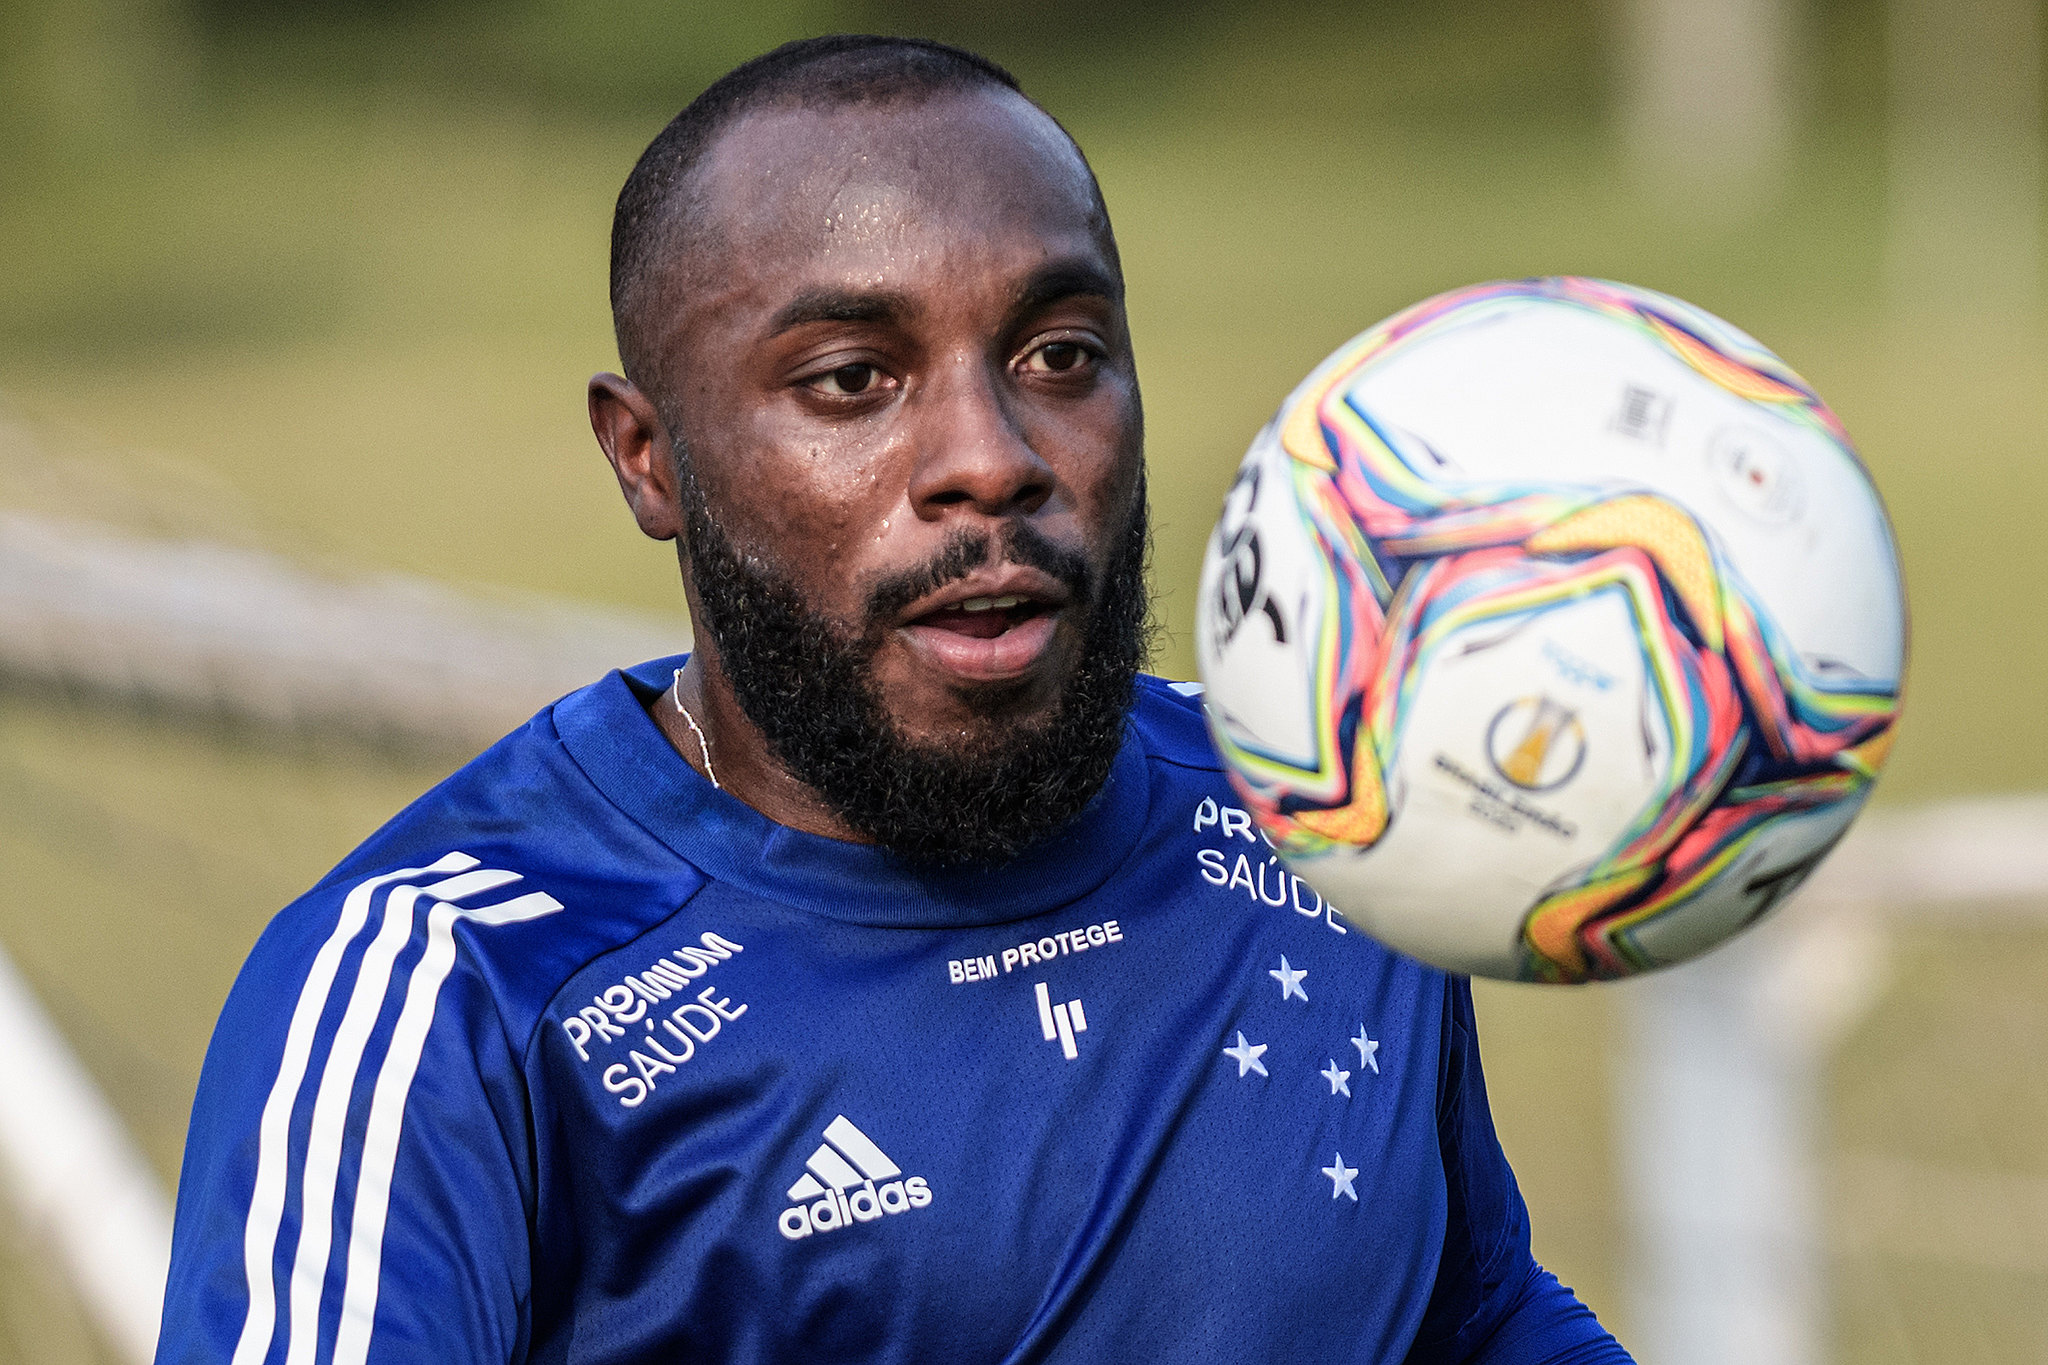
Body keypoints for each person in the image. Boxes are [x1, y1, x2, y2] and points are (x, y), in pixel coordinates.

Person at [156, 35, 1632, 1365]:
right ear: (648, 457)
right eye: (855, 379)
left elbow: (1467, 1309)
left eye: (1061, 356)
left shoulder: (1314, 810)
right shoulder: (457, 998)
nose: (990, 457)